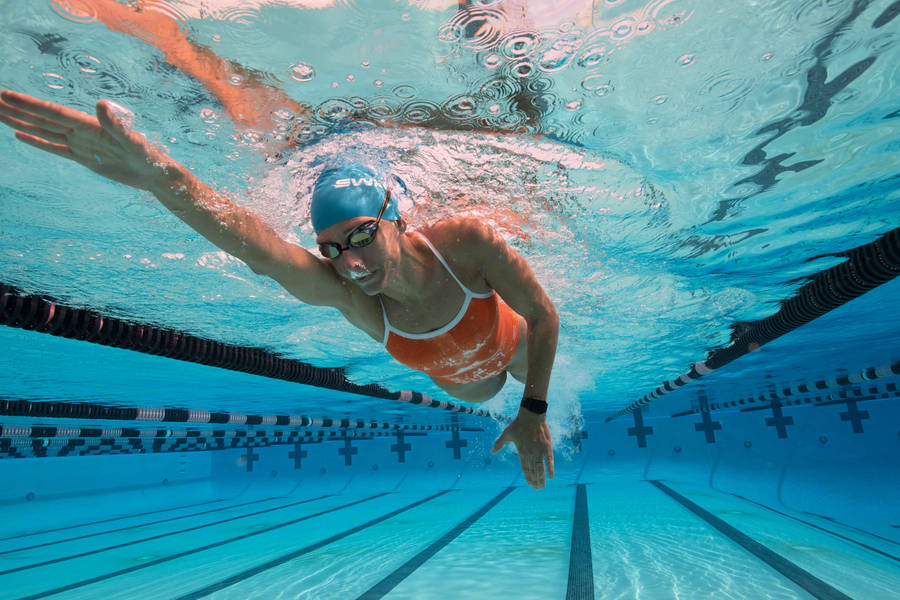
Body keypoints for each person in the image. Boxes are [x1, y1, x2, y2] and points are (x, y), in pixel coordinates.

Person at [0, 3, 558, 490]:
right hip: (472, 383)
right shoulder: (355, 298)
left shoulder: (465, 243)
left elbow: (542, 312)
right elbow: (262, 252)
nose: (352, 264)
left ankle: (502, 38)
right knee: (486, 395)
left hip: (512, 348)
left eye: (361, 236)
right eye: (332, 248)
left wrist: (534, 409)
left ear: (396, 218)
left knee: (521, 138)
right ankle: (141, 24)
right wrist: (158, 176)